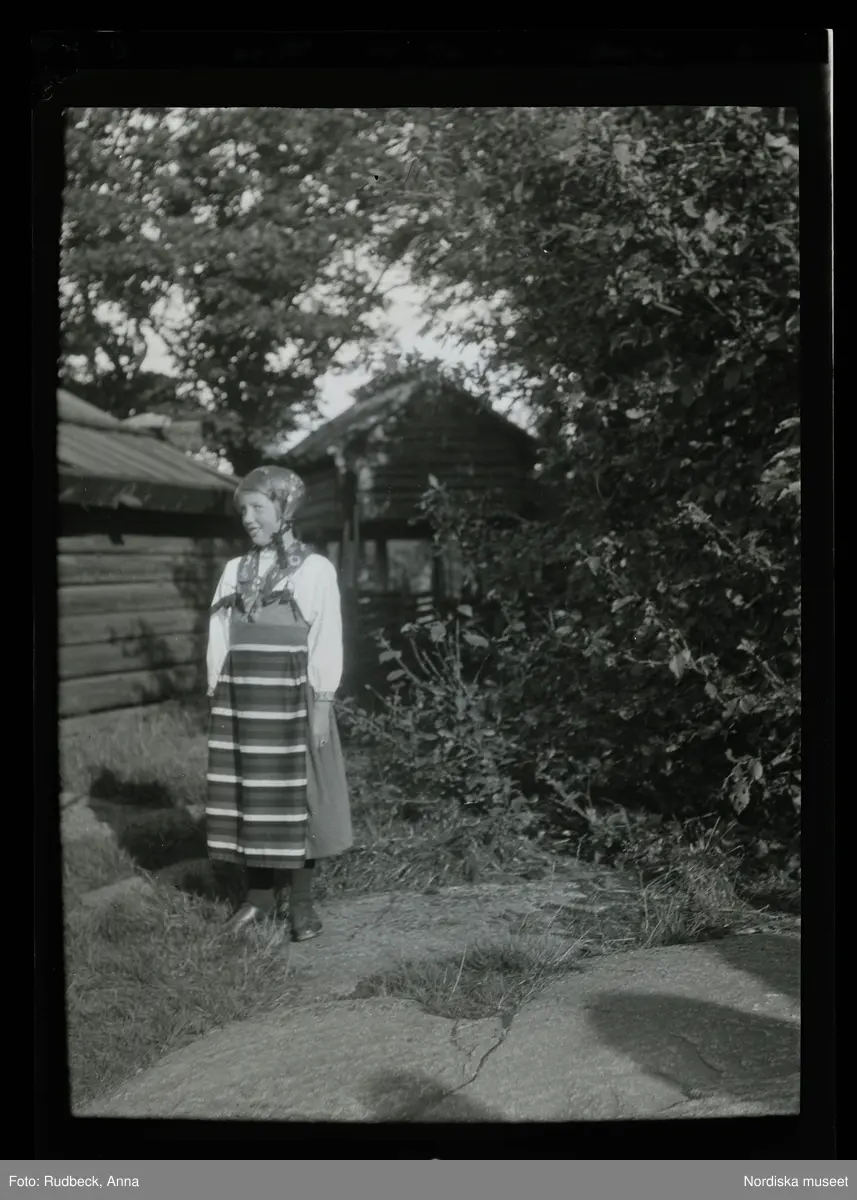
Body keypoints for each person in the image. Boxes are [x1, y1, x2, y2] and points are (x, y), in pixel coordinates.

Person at [205, 464, 352, 939]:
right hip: (243, 695)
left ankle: (301, 903)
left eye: (258, 508)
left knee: (297, 794)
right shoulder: (235, 571)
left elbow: (326, 637)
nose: (248, 518)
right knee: (252, 790)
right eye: (243, 510)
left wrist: (322, 704)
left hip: (292, 695)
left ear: (285, 509)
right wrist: (218, 691)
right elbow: (220, 634)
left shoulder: (313, 569)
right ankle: (258, 899)